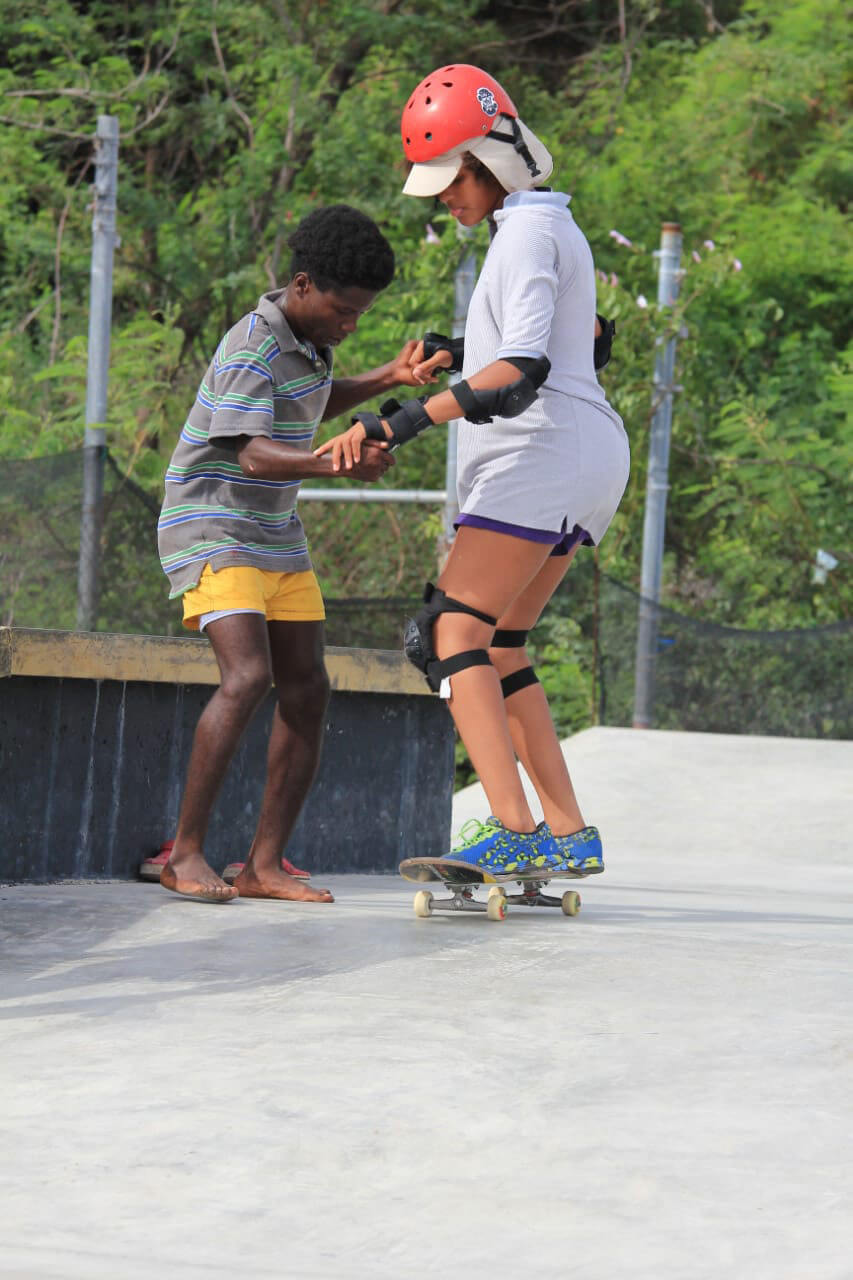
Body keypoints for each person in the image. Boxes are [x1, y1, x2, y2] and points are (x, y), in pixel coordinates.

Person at [316, 67, 629, 878]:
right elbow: (587, 339)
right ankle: (565, 833)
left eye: (449, 178)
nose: (442, 197)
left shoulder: (525, 233)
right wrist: (462, 351)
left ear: (488, 157)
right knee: (502, 645)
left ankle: (511, 830)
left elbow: (522, 370)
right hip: (584, 453)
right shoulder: (546, 225)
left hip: (540, 455)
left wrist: (401, 420)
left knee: (448, 634)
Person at [155, 204, 423, 903]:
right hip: (212, 522)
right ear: (301, 285)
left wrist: (387, 378)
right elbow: (249, 452)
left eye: (360, 314)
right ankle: (184, 855)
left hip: (274, 533)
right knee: (246, 676)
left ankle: (263, 866)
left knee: (307, 686)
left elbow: (316, 400)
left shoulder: (309, 343)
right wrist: (332, 466)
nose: (350, 324)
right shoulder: (255, 344)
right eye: (342, 310)